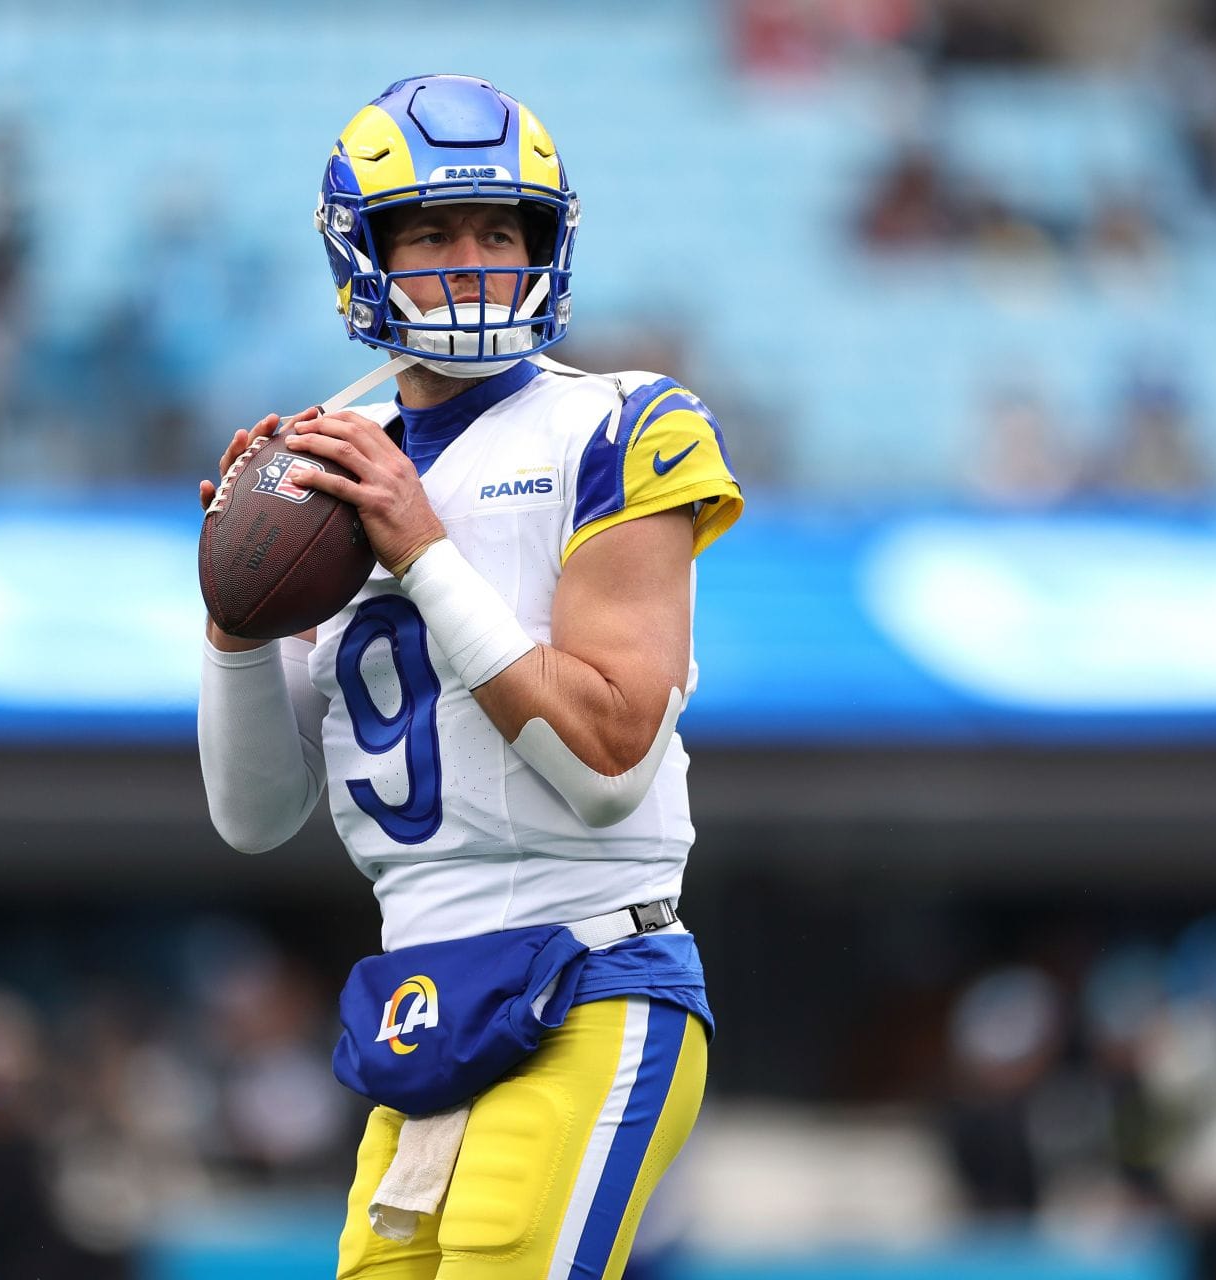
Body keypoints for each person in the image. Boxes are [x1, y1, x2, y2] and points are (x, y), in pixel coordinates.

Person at [196, 75, 743, 1279]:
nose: (472, 259)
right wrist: (233, 619)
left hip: (590, 970)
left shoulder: (619, 425)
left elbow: (607, 761)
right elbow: (253, 816)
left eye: (500, 229)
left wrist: (424, 550)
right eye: (433, 230)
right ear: (364, 251)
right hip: (422, 998)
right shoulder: (329, 457)